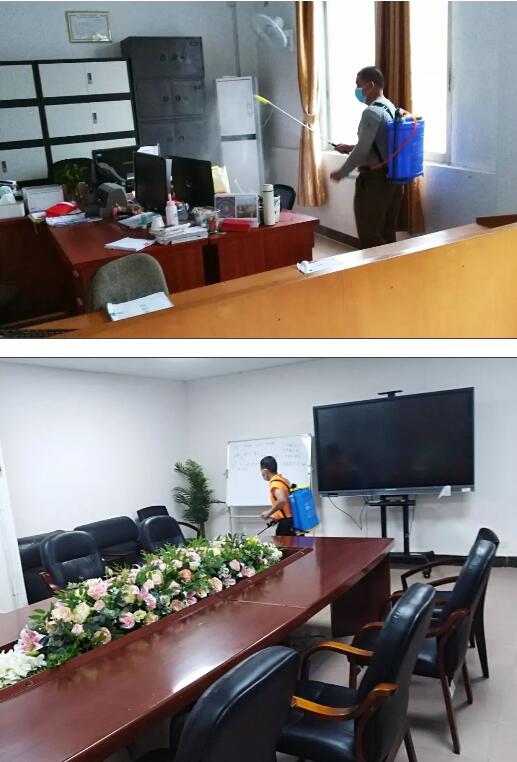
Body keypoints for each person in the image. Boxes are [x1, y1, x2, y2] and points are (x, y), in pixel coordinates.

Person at [330, 66, 403, 249]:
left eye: (358, 85)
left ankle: (378, 267)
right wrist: (349, 148)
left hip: (375, 182)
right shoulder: (389, 107)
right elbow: (378, 144)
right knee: (387, 232)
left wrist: (342, 172)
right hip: (393, 180)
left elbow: (362, 150)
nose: (357, 90)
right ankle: (391, 266)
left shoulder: (371, 112)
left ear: (370, 85)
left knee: (369, 234)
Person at [259, 456, 294, 536]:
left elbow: (282, 500)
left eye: (261, 472)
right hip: (293, 521)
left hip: (286, 524)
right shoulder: (283, 480)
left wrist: (269, 512)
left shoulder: (275, 483)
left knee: (282, 544)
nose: (262, 474)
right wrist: (277, 518)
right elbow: (286, 505)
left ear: (265, 471)